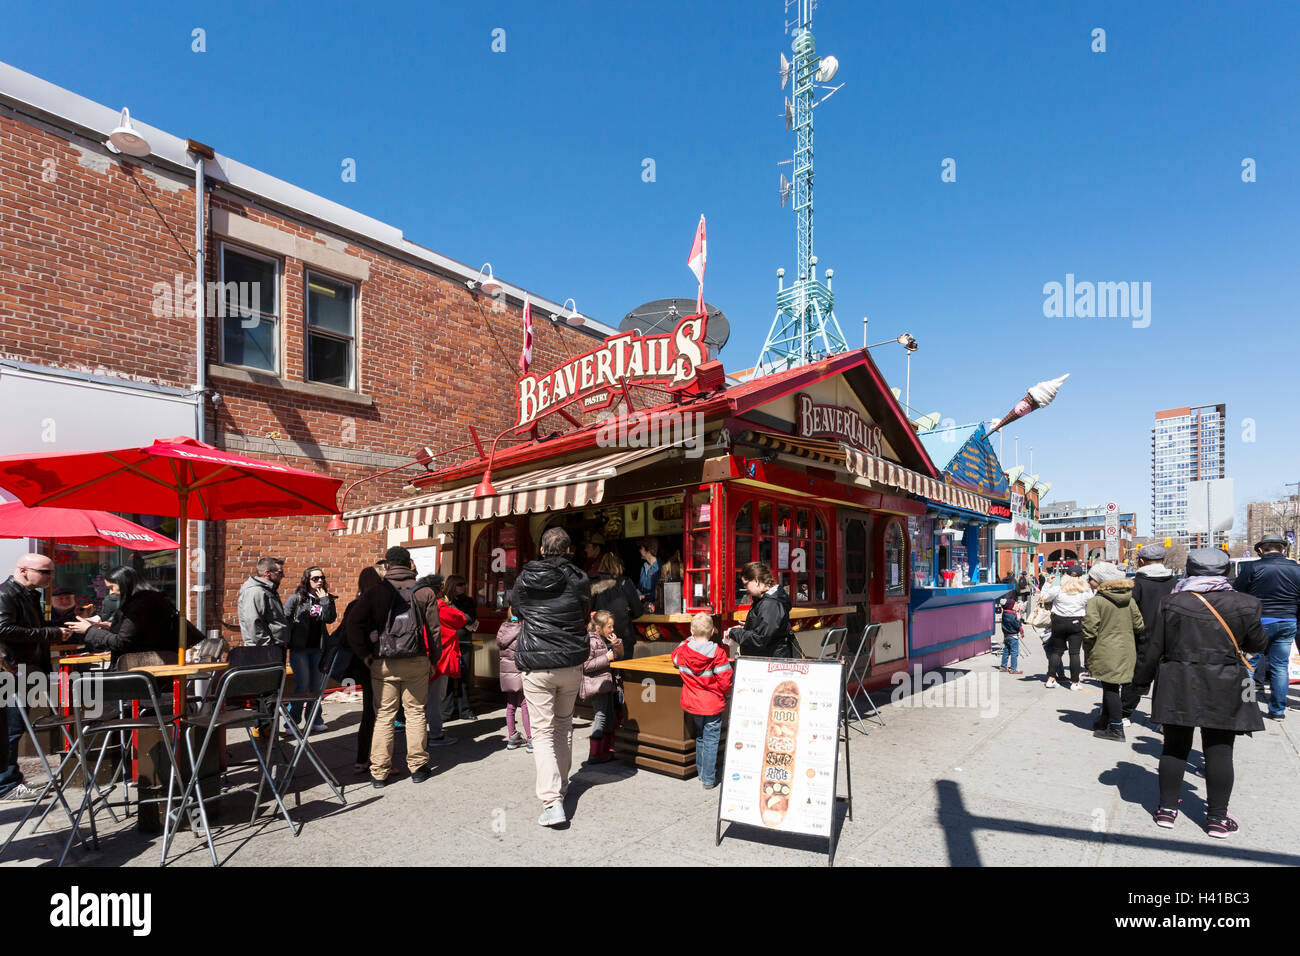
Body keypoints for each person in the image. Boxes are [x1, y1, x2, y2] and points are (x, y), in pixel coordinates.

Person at [1133, 549, 1267, 838]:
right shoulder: (1247, 603)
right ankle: (1217, 818)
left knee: (1174, 746)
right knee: (1220, 750)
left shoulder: (1172, 602)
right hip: (1226, 681)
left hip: (1178, 679)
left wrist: (1139, 682)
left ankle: (1167, 810)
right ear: (1227, 571)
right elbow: (1258, 644)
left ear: (1190, 571)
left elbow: (1153, 645)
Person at [515, 526, 591, 827]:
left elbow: (518, 611)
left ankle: (552, 800)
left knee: (543, 732)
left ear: (543, 550)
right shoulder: (579, 578)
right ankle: (561, 786)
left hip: (537, 662)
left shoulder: (524, 578)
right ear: (568, 549)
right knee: (563, 726)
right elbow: (585, 612)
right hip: (570, 662)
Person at [344, 546, 438, 787]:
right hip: (416, 659)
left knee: (384, 715)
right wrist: (433, 660)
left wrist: (364, 654)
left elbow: (353, 624)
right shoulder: (424, 591)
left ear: (387, 565)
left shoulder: (376, 592)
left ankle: (379, 772)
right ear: (410, 564)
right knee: (416, 713)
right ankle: (418, 767)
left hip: (383, 661)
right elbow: (434, 631)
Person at [0, 554, 68, 801]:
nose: (50, 577)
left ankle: (11, 778)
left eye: (51, 572)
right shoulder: (6, 594)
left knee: (15, 726)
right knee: (12, 727)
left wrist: (56, 630)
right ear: (23, 570)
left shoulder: (29, 595)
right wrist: (49, 633)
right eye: (45, 572)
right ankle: (6, 784)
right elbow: (3, 628)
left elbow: (30, 629)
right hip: (12, 670)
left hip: (25, 669)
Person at [1232, 532, 1300, 720]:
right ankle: (1278, 710)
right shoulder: (1296, 569)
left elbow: (1238, 592)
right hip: (1287, 622)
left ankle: (1244, 710)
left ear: (1261, 550)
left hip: (1258, 623)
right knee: (1280, 666)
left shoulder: (1253, 567)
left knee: (1249, 665)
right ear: (1283, 549)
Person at [65, 566, 178, 669]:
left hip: (136, 669)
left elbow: (121, 642)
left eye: (111, 587)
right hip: (150, 665)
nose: (110, 593)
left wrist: (89, 630)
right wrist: (106, 626)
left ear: (123, 583)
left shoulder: (139, 605)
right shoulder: (152, 600)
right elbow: (138, 632)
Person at [672, 612, 733, 789]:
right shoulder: (718, 653)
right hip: (713, 704)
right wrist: (726, 694)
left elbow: (674, 656)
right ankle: (708, 778)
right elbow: (725, 680)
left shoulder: (683, 651)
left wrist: (685, 641)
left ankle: (701, 773)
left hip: (693, 704)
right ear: (713, 631)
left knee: (700, 736)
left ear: (691, 630)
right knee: (711, 740)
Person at [1081, 562, 1142, 741]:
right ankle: (1104, 721)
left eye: (1091, 578)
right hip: (1127, 650)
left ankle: (1116, 727)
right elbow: (1139, 625)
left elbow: (1090, 630)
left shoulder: (1096, 602)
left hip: (1105, 650)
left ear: (1100, 581)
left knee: (1110, 688)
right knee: (1112, 686)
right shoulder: (1129, 600)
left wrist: (1088, 649)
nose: (1088, 581)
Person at [1123, 543, 1177, 725]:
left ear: (1142, 561)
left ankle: (1125, 713)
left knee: (1137, 677)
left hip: (1142, 636)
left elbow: (1130, 612)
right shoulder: (1175, 582)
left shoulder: (1136, 583)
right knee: (1167, 681)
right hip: (1171, 637)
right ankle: (1165, 721)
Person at [337, 566, 384, 774]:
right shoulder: (381, 605)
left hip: (361, 664)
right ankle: (379, 760)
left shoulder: (353, 605)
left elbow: (347, 634)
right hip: (378, 663)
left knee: (369, 712)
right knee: (381, 713)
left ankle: (361, 759)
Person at [282, 567, 336, 732]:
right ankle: (292, 722)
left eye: (322, 578)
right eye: (315, 578)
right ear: (307, 580)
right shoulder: (296, 599)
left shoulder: (326, 598)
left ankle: (314, 720)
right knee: (302, 685)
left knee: (315, 687)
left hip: (318, 649)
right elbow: (284, 619)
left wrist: (325, 601)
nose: (320, 581)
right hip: (300, 650)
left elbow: (330, 618)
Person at [727, 561, 797, 658]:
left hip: (769, 663)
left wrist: (734, 632)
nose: (745, 588)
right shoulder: (765, 600)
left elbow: (760, 639)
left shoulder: (771, 603)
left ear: (756, 581)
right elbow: (765, 630)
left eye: (746, 584)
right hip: (766, 659)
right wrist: (749, 627)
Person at [580, 610, 621, 766]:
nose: (611, 630)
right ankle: (595, 753)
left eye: (612, 626)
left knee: (609, 716)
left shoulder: (603, 639)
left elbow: (617, 656)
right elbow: (586, 665)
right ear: (598, 628)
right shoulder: (591, 641)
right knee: (601, 716)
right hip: (597, 686)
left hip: (606, 684)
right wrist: (606, 658)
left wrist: (616, 644)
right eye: (609, 627)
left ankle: (605, 749)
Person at [1039, 565, 1091, 689]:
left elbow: (1043, 598)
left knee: (1057, 651)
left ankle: (1051, 679)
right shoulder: (1085, 592)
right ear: (1081, 578)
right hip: (1077, 622)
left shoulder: (1058, 589)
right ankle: (1075, 683)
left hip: (1059, 622)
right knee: (1075, 653)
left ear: (1065, 576)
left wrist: (1047, 584)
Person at [589, 552, 644, 659]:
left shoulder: (593, 583)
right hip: (624, 638)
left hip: (600, 637)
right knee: (624, 671)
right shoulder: (625, 582)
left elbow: (587, 610)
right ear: (619, 566)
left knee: (602, 670)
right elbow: (638, 611)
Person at [438, 574, 477, 723]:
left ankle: (465, 710)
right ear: (452, 585)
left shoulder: (468, 601)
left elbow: (470, 618)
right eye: (460, 584)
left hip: (464, 642)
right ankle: (445, 712)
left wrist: (457, 619)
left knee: (464, 678)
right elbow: (451, 619)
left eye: (464, 584)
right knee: (446, 677)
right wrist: (459, 618)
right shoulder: (443, 602)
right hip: (447, 643)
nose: (463, 586)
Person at [496, 601, 530, 751]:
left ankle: (512, 737)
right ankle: (530, 738)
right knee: (525, 705)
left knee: (510, 706)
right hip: (521, 672)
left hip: (507, 674)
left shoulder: (503, 629)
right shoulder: (523, 630)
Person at [238, 556, 288, 647]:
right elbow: (253, 622)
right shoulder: (256, 591)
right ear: (267, 573)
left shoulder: (268, 590)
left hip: (273, 647)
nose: (283, 575)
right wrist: (266, 645)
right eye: (280, 572)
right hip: (263, 649)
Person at [999, 600, 1024, 674]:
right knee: (1014, 652)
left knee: (1006, 651)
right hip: (1013, 637)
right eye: (1015, 604)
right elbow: (1016, 625)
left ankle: (1003, 666)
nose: (1016, 605)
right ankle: (1013, 668)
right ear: (1010, 607)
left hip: (1006, 636)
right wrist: (1018, 619)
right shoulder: (1012, 616)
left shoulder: (1005, 613)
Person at [636, 538, 660, 609]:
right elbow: (640, 589)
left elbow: (660, 592)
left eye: (641, 548)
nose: (639, 550)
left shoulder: (661, 567)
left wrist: (644, 597)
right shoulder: (644, 567)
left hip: (656, 608)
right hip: (644, 607)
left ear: (648, 550)